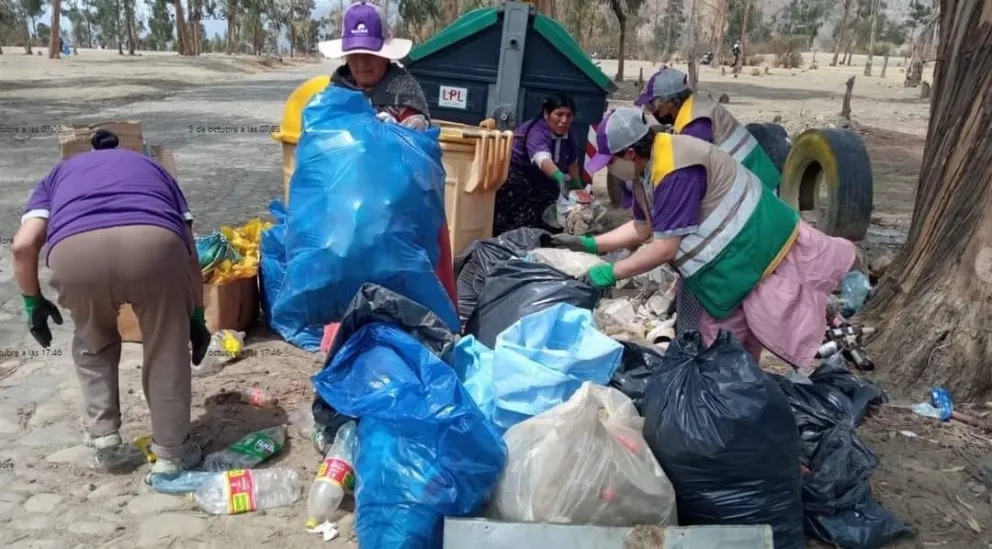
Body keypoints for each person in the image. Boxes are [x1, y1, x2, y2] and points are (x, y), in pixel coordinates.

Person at [552, 108, 855, 371]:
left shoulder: (674, 170)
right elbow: (642, 228)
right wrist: (592, 245)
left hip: (756, 244)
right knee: (719, 334)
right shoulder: (648, 168)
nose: (608, 168)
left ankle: (735, 393)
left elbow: (663, 248)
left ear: (630, 152)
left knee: (745, 330)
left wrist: (609, 272)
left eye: (609, 161)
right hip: (733, 255)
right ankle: (731, 390)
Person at [10, 130, 210, 475]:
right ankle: (172, 454)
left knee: (92, 341)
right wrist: (194, 314)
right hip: (155, 248)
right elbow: (190, 252)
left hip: (77, 254)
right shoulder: (155, 169)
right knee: (167, 349)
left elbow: (23, 246)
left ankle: (104, 435)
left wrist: (32, 303)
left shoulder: (58, 174)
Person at [318, 0, 456, 307]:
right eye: (355, 55)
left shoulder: (404, 90)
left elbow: (421, 149)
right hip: (350, 203)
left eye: (371, 55)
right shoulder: (337, 90)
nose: (363, 63)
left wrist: (403, 132)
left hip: (402, 208)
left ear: (385, 53)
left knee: (405, 286)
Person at [634, 67, 780, 193]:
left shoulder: (695, 126)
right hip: (758, 178)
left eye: (652, 106)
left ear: (670, 103)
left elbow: (691, 179)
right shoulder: (697, 106)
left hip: (759, 189)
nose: (653, 111)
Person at [493, 92, 584, 236]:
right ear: (547, 114)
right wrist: (559, 176)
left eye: (569, 115)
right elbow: (542, 158)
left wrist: (578, 188)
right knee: (516, 220)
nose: (564, 120)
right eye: (559, 114)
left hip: (545, 179)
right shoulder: (537, 131)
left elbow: (572, 162)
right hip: (518, 176)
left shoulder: (570, 134)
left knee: (551, 217)